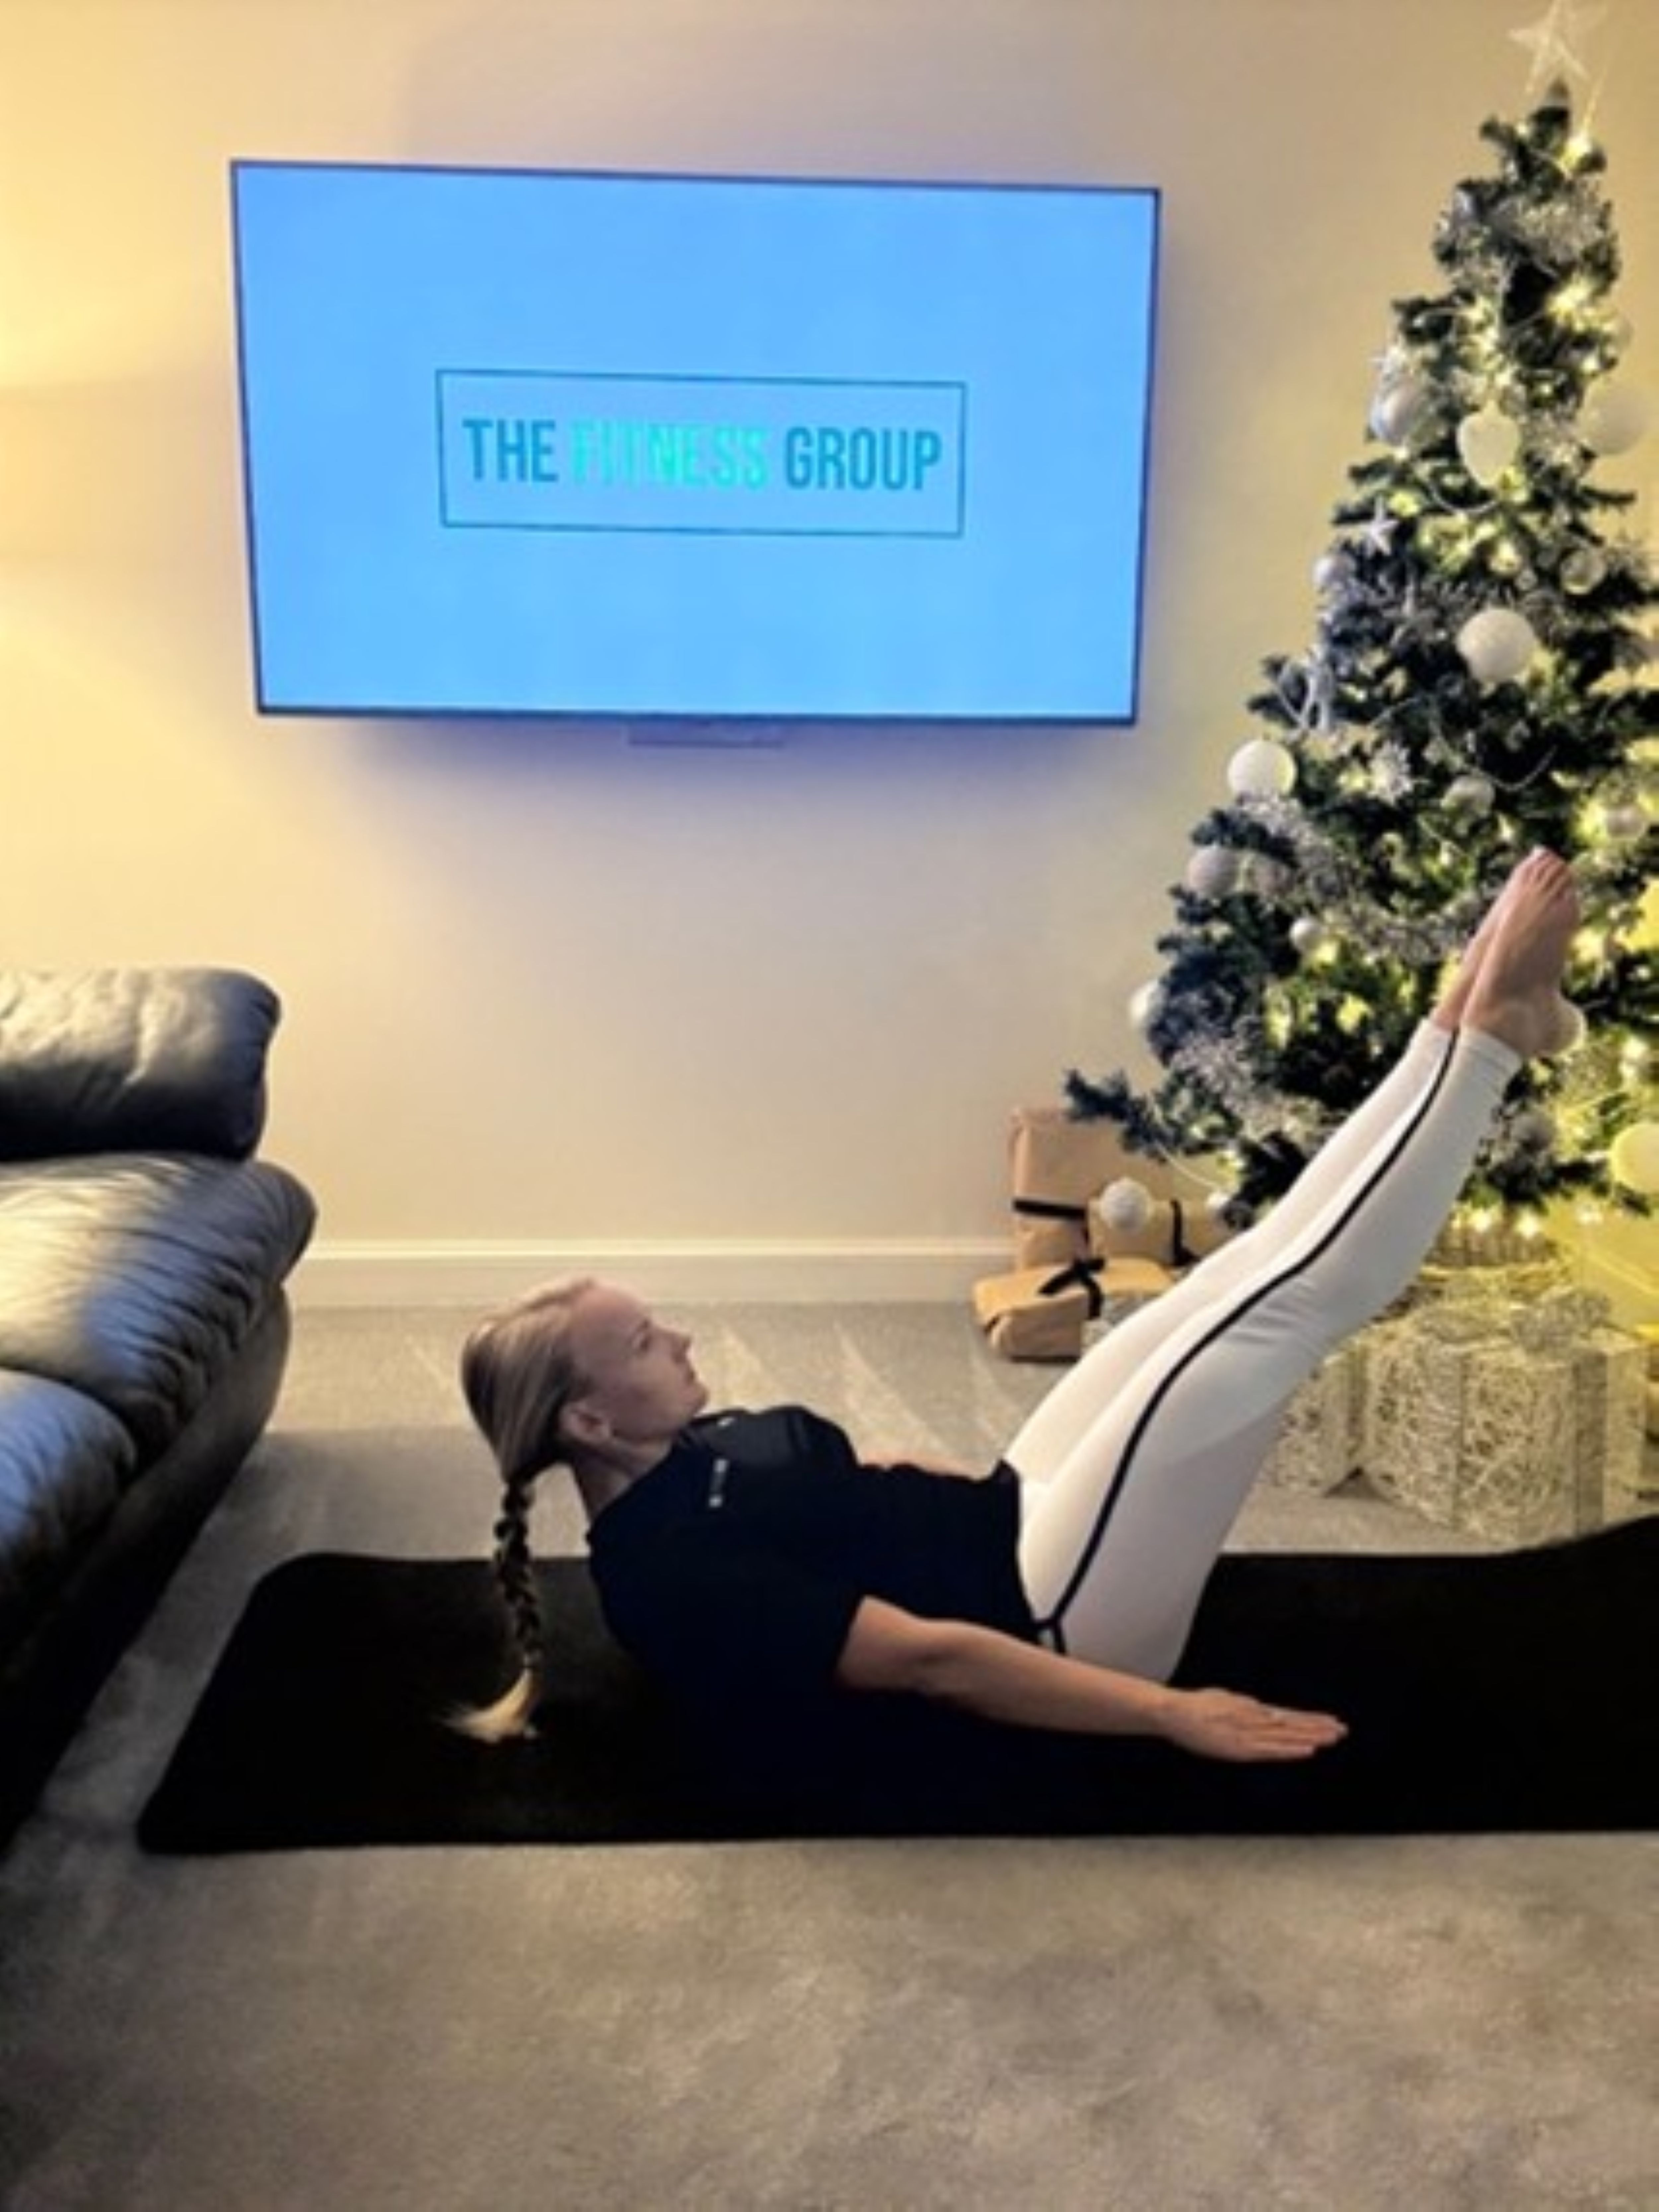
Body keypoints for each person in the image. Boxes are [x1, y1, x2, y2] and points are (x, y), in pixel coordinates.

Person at [454, 850, 1582, 1769]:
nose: (684, 1337)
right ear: (590, 1422)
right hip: (1051, 1610)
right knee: (1280, 1317)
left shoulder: (674, 1446)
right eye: (645, 1341)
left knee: (1237, 1276)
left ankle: (1452, 1033)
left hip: (1012, 1510)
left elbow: (836, 1479)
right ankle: (1483, 1049)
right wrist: (1169, 1715)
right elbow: (934, 1659)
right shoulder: (670, 1574)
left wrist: (956, 1475)